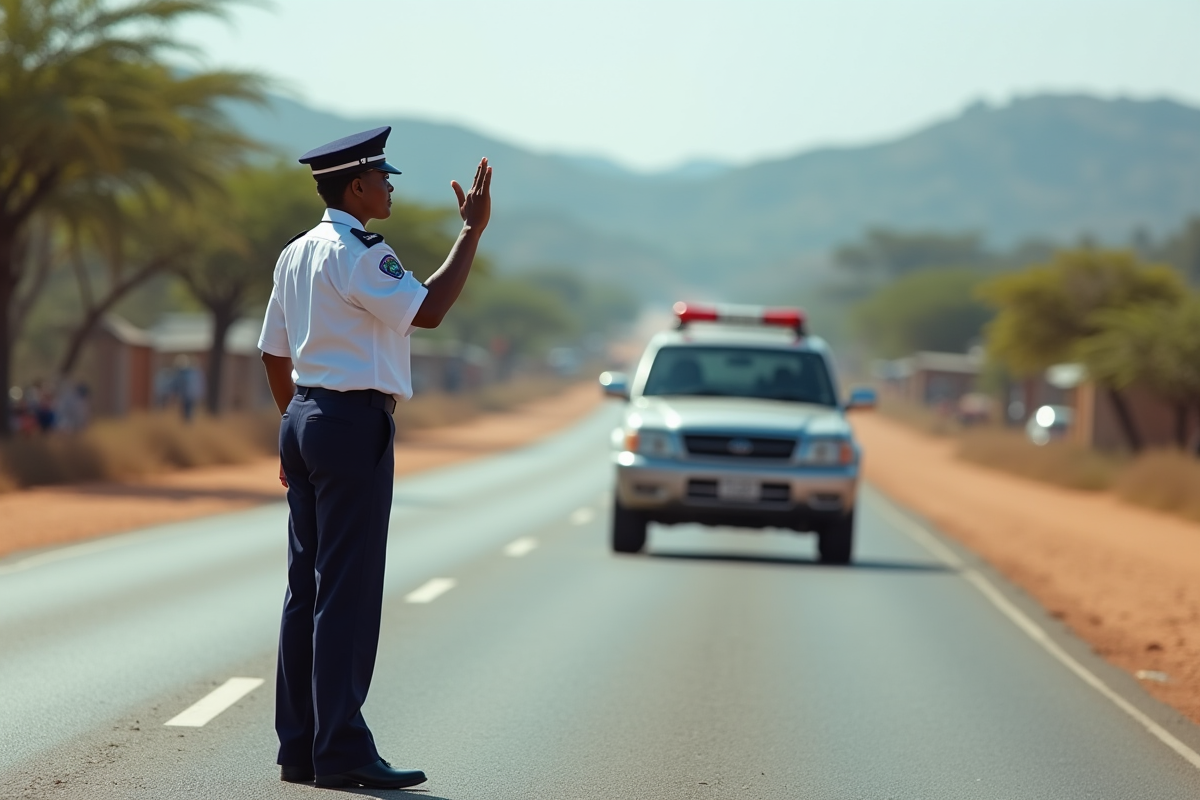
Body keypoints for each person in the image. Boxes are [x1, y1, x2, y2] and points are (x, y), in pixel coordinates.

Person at [257, 126, 491, 790]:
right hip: (349, 421)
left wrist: (295, 429)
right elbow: (431, 310)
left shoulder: (294, 253)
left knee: (306, 591)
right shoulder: (360, 252)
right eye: (383, 178)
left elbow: (273, 352)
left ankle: (300, 749)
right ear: (356, 186)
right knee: (348, 594)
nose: (389, 187)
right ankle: (343, 750)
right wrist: (470, 232)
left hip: (303, 417)